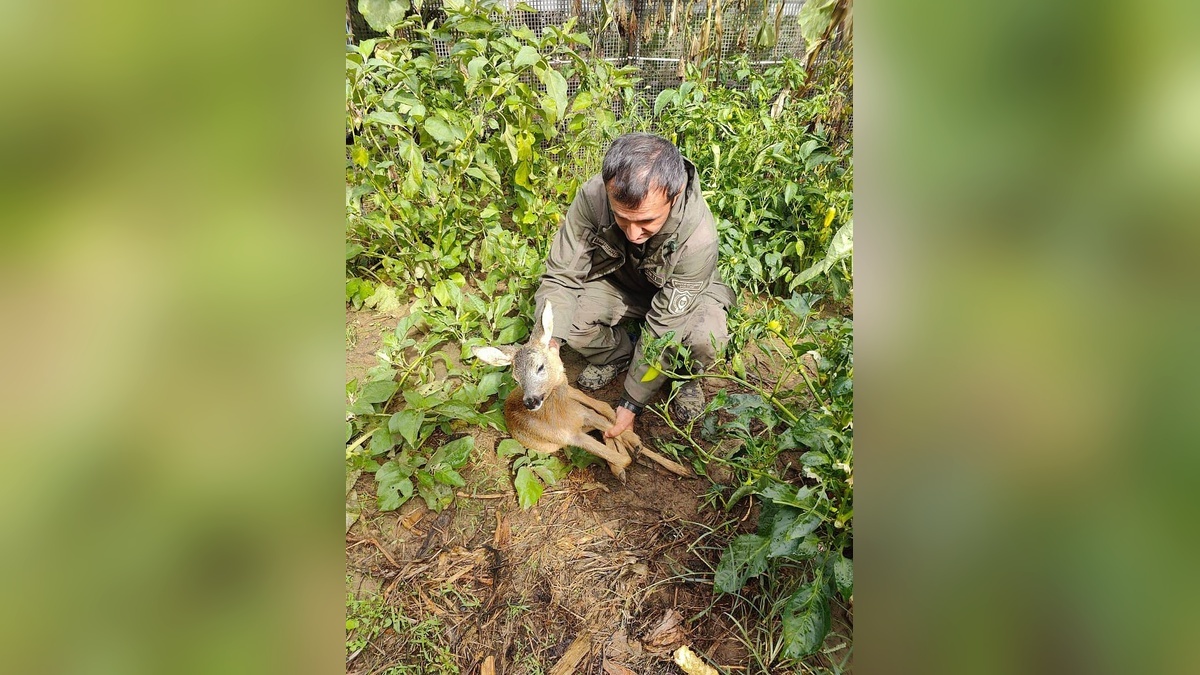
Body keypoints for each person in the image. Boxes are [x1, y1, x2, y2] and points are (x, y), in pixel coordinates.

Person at [533, 132, 734, 438]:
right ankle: (618, 354)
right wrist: (548, 344)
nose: (632, 233)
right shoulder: (593, 197)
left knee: (707, 337)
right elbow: (562, 276)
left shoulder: (699, 238)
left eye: (646, 222)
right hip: (624, 284)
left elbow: (667, 324)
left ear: (675, 193)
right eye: (622, 219)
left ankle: (684, 376)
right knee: (566, 320)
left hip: (685, 297)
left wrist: (631, 402)